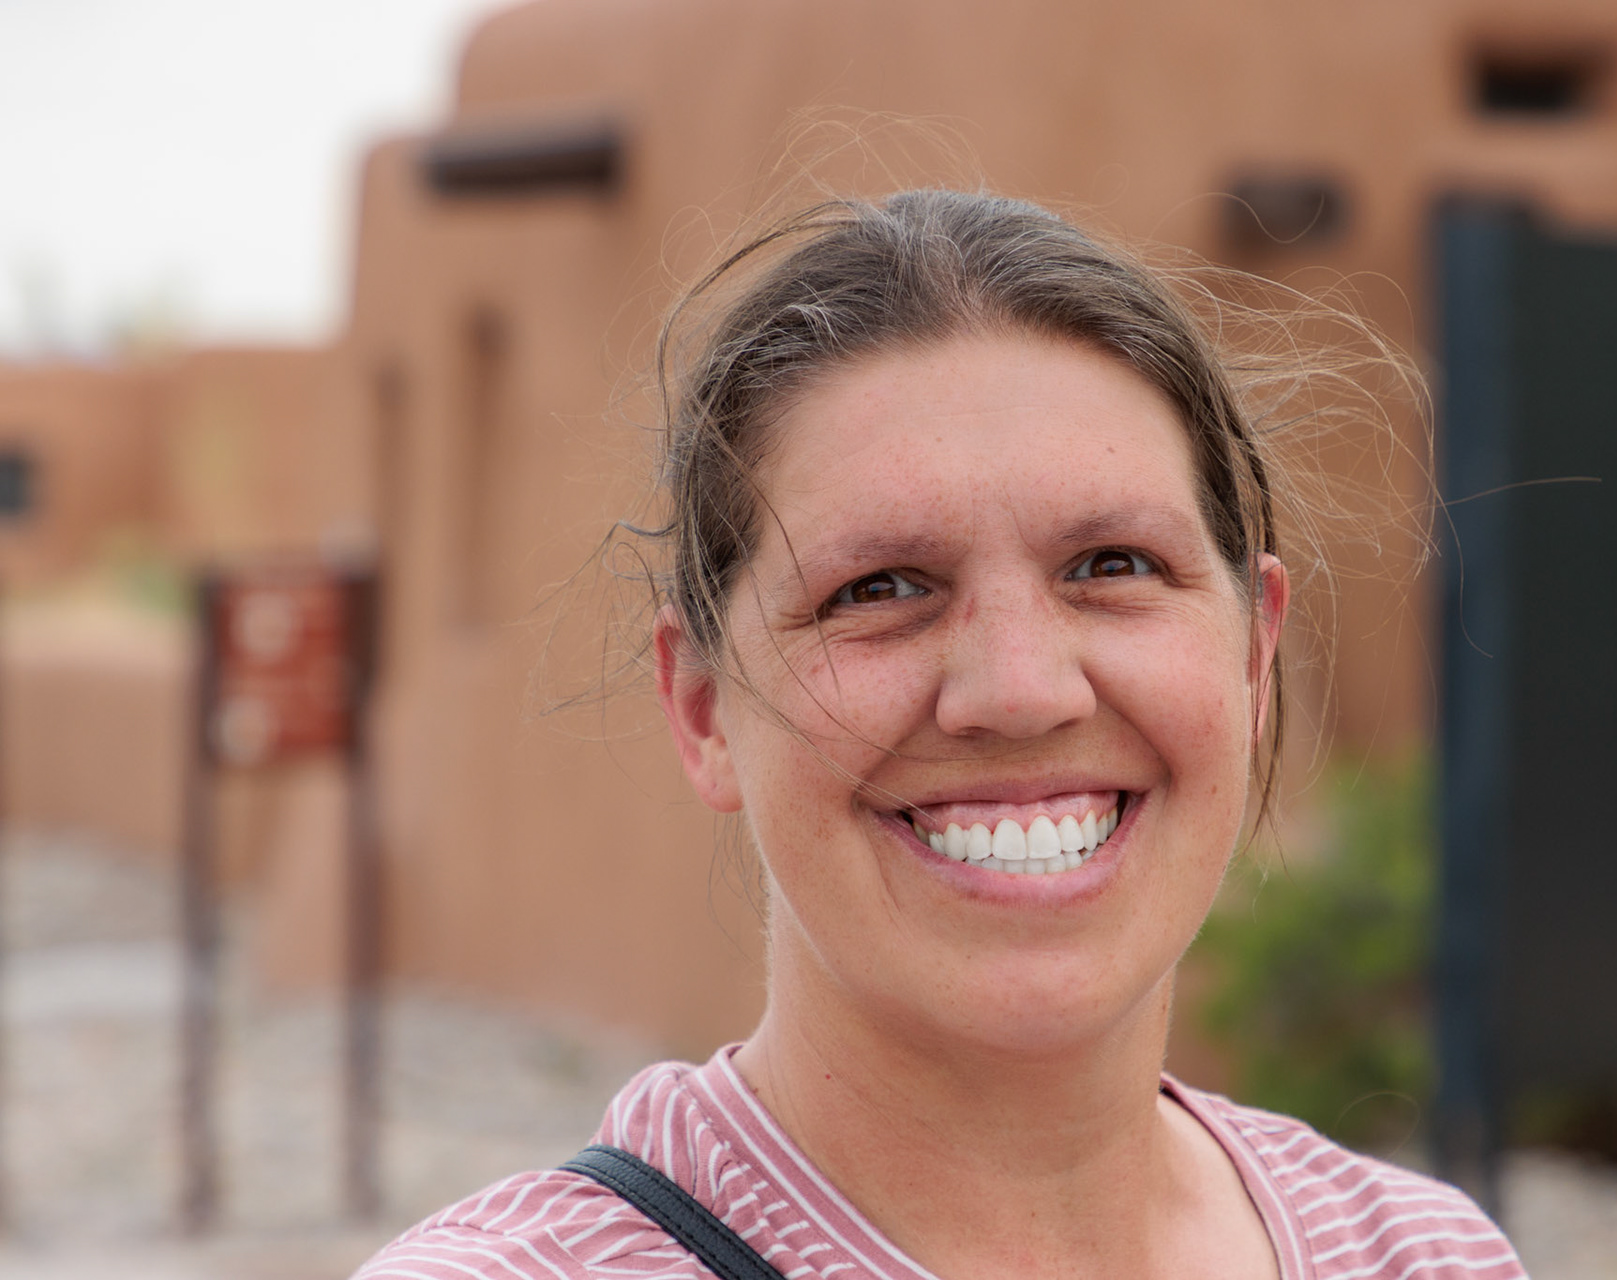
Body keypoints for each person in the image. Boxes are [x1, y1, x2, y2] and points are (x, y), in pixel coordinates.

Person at [355, 189, 1526, 1280]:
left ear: (1253, 654)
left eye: (1114, 565)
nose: (1018, 689)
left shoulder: (1428, 1258)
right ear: (703, 706)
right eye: (879, 587)